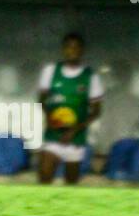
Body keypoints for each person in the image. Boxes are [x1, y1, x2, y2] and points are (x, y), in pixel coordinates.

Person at [38, 33, 103, 186]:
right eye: (68, 47)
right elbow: (41, 100)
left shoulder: (91, 77)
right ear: (63, 49)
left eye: (75, 47)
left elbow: (96, 111)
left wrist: (74, 130)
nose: (72, 51)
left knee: (70, 184)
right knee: (44, 178)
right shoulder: (51, 71)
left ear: (82, 50)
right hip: (53, 136)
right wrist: (51, 121)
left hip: (75, 138)